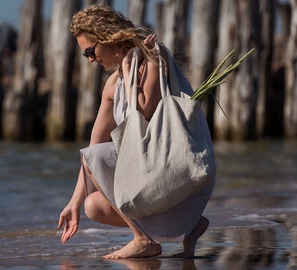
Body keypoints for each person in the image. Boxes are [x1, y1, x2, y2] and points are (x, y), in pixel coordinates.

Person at [57, 4, 215, 260]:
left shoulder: (154, 56)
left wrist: (134, 69)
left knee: (96, 157)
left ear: (107, 36)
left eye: (90, 50)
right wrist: (73, 202)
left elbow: (143, 108)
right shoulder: (112, 85)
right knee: (92, 206)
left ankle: (143, 240)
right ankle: (190, 227)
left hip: (180, 172)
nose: (90, 60)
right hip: (155, 179)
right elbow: (92, 148)